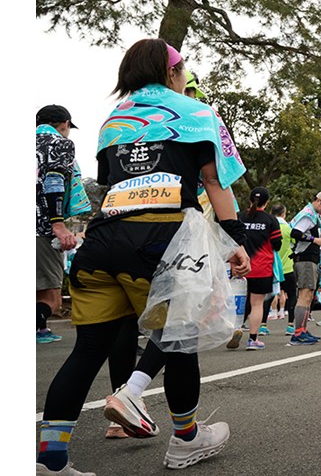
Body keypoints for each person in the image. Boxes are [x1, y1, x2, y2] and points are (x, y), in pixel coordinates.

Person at [37, 38, 250, 475]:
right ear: (172, 71)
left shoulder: (112, 119)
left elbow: (108, 181)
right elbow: (214, 181)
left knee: (88, 349)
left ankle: (51, 461)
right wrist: (234, 240)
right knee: (178, 343)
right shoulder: (195, 112)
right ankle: (187, 439)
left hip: (101, 240)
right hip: (159, 241)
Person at [37, 104, 88, 345]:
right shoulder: (60, 143)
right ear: (65, 124)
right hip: (41, 228)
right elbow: (54, 181)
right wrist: (58, 224)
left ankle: (40, 329)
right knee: (53, 299)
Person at [287, 191, 321, 344]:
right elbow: (295, 233)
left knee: (308, 296)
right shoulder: (308, 215)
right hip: (305, 259)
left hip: (310, 259)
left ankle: (303, 329)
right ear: (319, 201)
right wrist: (316, 240)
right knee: (304, 295)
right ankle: (298, 332)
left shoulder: (314, 216)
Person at [237, 187, 281, 350]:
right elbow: (277, 244)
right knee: (257, 304)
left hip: (240, 267)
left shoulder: (240, 217)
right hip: (261, 268)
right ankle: (253, 340)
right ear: (267, 201)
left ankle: (235, 329)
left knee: (239, 302)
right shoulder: (270, 220)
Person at [271, 204, 293, 325]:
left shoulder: (270, 226)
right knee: (285, 292)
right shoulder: (288, 228)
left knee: (273, 292)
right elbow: (294, 242)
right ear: (284, 214)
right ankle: (283, 311)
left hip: (272, 265)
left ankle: (272, 312)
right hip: (287, 266)